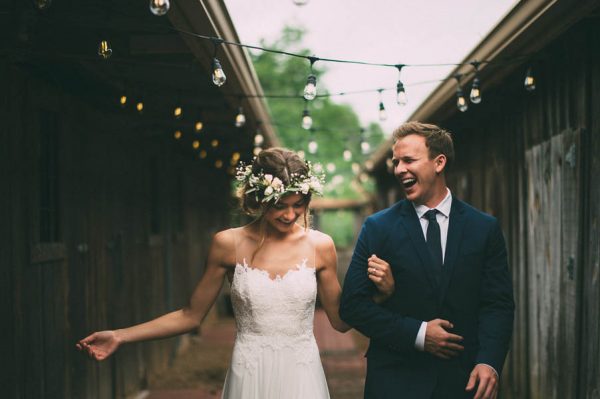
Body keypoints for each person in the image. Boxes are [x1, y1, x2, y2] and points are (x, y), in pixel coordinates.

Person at [76, 147, 395, 399]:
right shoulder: (227, 243)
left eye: (298, 204)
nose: (290, 214)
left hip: (302, 372)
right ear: (258, 198)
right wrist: (120, 335)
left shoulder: (319, 245)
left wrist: (381, 295)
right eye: (279, 205)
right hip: (249, 369)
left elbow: (340, 321)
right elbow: (190, 315)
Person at [340, 122, 515, 399]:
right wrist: (419, 334)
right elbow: (352, 306)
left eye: (408, 160)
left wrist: (489, 361)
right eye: (396, 162)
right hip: (395, 380)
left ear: (439, 162)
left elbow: (498, 303)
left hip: (462, 381)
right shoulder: (378, 227)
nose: (399, 169)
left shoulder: (484, 228)